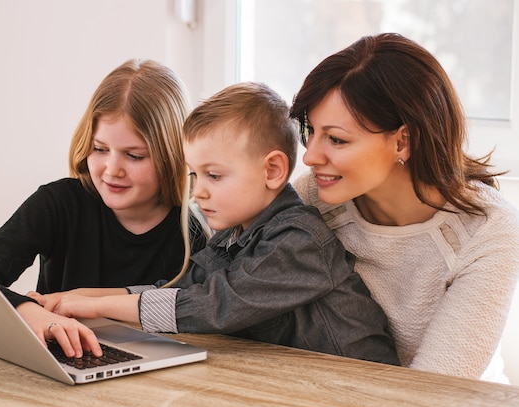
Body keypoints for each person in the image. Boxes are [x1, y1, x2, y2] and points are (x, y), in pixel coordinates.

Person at [32, 82, 400, 365]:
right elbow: (179, 286)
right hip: (300, 382)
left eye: (214, 176)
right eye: (194, 175)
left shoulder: (299, 240)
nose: (198, 193)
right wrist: (73, 299)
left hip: (363, 390)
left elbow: (214, 305)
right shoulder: (231, 235)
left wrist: (98, 308)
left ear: (272, 170)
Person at [289, 33, 519, 382]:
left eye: (336, 139)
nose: (310, 156)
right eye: (310, 131)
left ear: (403, 140)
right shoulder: (313, 195)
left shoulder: (488, 228)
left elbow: (435, 389)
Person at [0, 59, 210, 359]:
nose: (112, 170)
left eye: (134, 156)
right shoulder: (59, 203)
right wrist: (30, 312)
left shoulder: (195, 232)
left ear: (172, 155)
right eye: (100, 149)